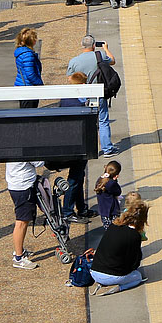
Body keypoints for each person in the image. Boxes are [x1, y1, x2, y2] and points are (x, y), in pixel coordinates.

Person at [53, 71, 98, 223]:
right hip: (78, 145)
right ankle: (67, 211)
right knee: (75, 179)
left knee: (79, 177)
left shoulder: (66, 98)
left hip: (72, 142)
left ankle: (81, 208)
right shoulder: (80, 102)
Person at [69, 35, 118, 156]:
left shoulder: (74, 61)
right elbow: (112, 60)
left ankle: (86, 149)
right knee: (103, 121)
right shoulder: (100, 56)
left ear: (82, 46)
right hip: (98, 94)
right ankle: (107, 149)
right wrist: (106, 48)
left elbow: (70, 78)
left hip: (82, 96)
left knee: (85, 122)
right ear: (94, 45)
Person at [89, 198, 149, 295]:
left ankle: (100, 283)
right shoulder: (134, 235)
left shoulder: (114, 226)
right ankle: (117, 287)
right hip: (112, 275)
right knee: (137, 277)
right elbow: (135, 262)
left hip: (94, 271)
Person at [6, 157, 44, 269]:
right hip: (23, 187)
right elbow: (39, 162)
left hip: (16, 185)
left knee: (23, 221)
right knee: (22, 222)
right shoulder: (24, 147)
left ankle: (19, 251)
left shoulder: (12, 144)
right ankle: (19, 258)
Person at [13, 27, 43, 109]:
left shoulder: (21, 52)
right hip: (28, 88)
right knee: (29, 113)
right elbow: (30, 74)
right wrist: (40, 84)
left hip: (23, 85)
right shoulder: (28, 55)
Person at [95, 160, 123, 227]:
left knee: (107, 227)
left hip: (103, 210)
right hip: (112, 210)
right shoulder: (111, 183)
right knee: (115, 227)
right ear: (116, 175)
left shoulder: (100, 180)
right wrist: (115, 181)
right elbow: (118, 192)